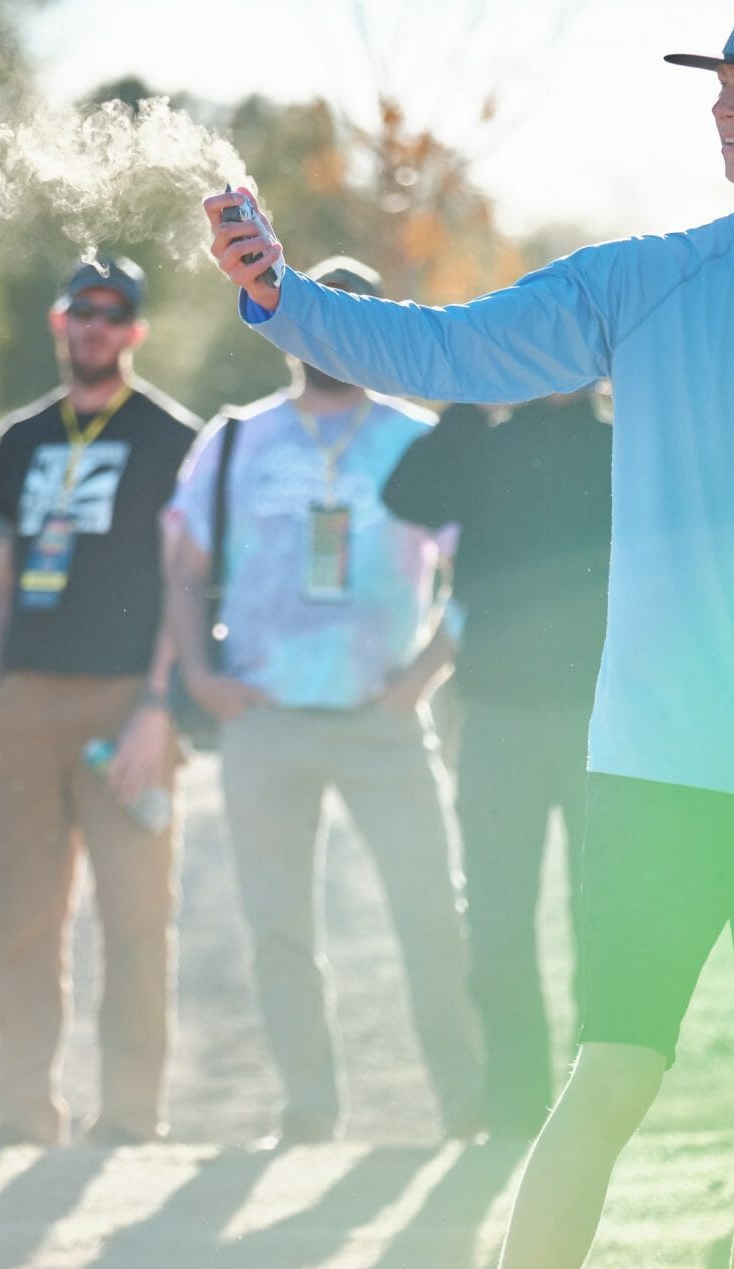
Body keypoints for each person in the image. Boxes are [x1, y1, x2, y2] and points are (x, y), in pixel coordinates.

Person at [206, 0, 734, 1268]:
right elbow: (448, 351)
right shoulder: (646, 279)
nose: (720, 105)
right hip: (658, 767)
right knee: (612, 1079)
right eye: (718, 82)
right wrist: (280, 298)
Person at [167, 254, 484, 1149]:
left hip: (382, 723)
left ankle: (467, 1109)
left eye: (347, 316)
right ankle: (308, 1113)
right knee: (279, 929)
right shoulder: (236, 439)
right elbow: (183, 566)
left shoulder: (418, 439)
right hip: (263, 720)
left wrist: (424, 673)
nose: (326, 335)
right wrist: (198, 674)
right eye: (312, 314)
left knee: (430, 913)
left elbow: (479, 572)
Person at [0, 256, 198, 1147]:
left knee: (136, 918)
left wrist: (158, 705)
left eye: (114, 314)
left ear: (135, 330)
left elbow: (187, 581)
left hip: (126, 707)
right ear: (58, 322)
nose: (96, 326)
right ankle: (23, 1112)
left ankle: (133, 1115)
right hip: (28, 702)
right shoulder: (22, 438)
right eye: (82, 311)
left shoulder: (173, 438)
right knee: (23, 921)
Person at [381, 391, 613, 1141]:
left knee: (600, 916)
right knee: (498, 922)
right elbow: (404, 495)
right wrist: (469, 403)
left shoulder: (624, 446)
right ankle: (517, 1109)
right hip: (497, 719)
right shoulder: (484, 444)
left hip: (601, 718)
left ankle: (596, 1105)